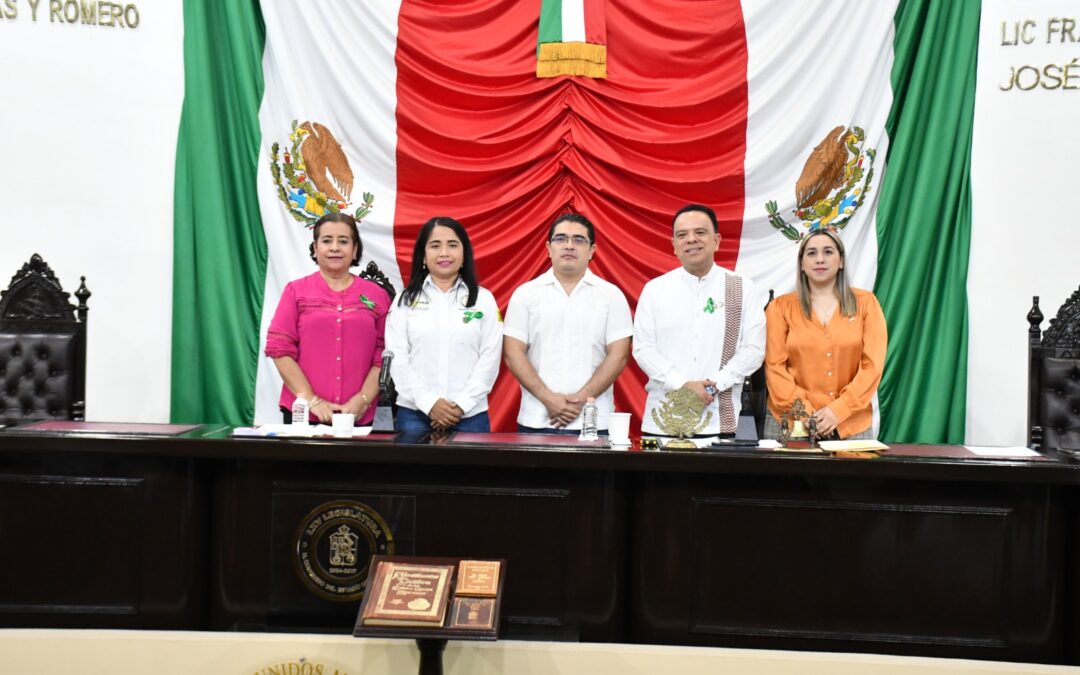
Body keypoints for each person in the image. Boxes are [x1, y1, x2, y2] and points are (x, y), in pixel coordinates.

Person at [634, 204, 765, 436]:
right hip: (663, 421)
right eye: (682, 235)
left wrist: (714, 385)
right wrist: (683, 385)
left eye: (700, 232)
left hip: (721, 421)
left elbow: (753, 350)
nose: (691, 239)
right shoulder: (655, 290)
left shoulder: (741, 288)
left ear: (716, 240)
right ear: (674, 246)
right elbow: (643, 349)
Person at [503, 213, 632, 434]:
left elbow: (619, 355)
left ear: (592, 250)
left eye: (579, 240)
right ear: (548, 247)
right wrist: (548, 399)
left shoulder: (611, 295)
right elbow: (512, 354)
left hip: (594, 421)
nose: (569, 245)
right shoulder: (525, 294)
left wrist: (580, 400)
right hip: (537, 420)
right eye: (561, 239)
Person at [265, 212, 389, 425]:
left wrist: (363, 400)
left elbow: (385, 354)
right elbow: (279, 349)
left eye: (343, 241)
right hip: (304, 415)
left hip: (360, 415)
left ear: (355, 249)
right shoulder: (296, 291)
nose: (334, 247)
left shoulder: (376, 295)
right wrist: (313, 401)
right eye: (326, 240)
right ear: (315, 248)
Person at [764, 228, 887, 439]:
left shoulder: (867, 304)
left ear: (841, 261)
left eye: (828, 252)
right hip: (789, 424)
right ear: (802, 264)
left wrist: (837, 411)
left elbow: (872, 367)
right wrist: (807, 415)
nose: (820, 259)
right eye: (811, 253)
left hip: (850, 425)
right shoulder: (779, 308)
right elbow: (774, 369)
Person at [385, 217, 502, 433]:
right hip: (414, 416)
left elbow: (490, 358)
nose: (444, 253)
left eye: (452, 245)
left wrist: (460, 405)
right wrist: (430, 404)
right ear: (423, 254)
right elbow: (397, 358)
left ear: (464, 254)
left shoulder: (483, 300)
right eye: (435, 245)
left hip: (470, 416)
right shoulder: (404, 300)